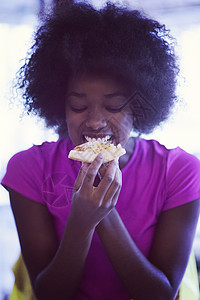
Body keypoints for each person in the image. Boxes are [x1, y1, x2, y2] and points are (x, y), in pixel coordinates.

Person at [1, 2, 200, 300]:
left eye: (114, 106)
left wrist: (103, 214)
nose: (94, 121)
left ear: (139, 105)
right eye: (78, 106)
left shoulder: (180, 171)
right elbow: (48, 294)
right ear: (59, 106)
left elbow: (160, 295)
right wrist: (81, 223)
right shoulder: (27, 169)